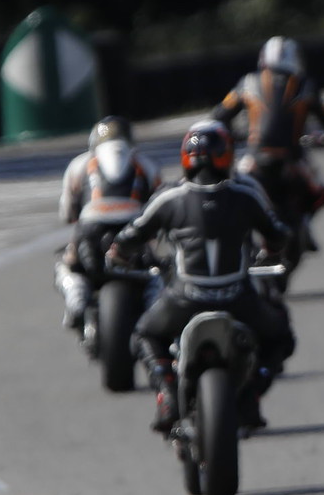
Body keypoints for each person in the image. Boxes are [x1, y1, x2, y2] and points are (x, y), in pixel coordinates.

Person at [111, 120, 296, 433]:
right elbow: (278, 234)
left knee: (144, 334)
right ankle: (251, 396)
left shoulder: (169, 197)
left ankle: (167, 393)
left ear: (186, 157)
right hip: (238, 297)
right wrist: (274, 252)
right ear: (227, 156)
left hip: (184, 298)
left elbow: (131, 235)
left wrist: (119, 254)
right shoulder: (246, 194)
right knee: (281, 337)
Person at [211, 36, 324, 248]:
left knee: (232, 193)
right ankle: (304, 226)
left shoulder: (247, 82)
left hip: (254, 160)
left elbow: (220, 115)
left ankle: (239, 237)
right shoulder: (305, 85)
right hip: (292, 160)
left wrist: (235, 135)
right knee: (321, 194)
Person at [53, 115, 162, 336]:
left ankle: (76, 300)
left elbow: (67, 213)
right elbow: (160, 207)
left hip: (91, 228)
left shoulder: (79, 164)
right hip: (134, 228)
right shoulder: (146, 164)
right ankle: (155, 305)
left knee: (68, 266)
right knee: (159, 270)